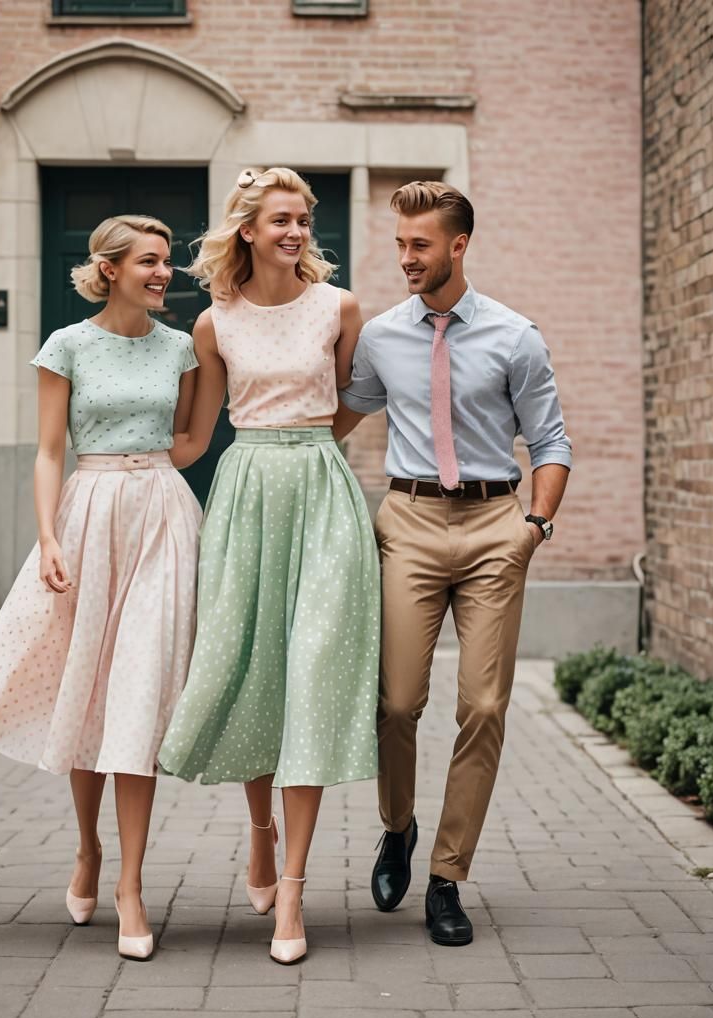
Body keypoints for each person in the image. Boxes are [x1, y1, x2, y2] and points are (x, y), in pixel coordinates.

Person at [0, 215, 202, 962]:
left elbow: (189, 440)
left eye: (166, 262)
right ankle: (88, 847)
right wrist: (49, 537)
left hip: (161, 516)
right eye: (149, 261)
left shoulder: (180, 348)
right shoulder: (66, 345)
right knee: (89, 690)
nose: (163, 273)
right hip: (87, 516)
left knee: (138, 695)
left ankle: (131, 885)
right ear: (110, 268)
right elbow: (48, 451)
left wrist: (154, 476)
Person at [335, 181, 572, 947]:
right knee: (397, 703)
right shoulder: (380, 338)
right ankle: (397, 826)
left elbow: (550, 441)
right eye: (400, 244)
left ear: (458, 246)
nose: (406, 258)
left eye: (420, 245)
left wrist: (534, 525)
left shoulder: (515, 337)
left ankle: (446, 874)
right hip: (407, 523)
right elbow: (337, 419)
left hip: (495, 525)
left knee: (485, 706)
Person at [158, 167, 380, 965]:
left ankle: (292, 888)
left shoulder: (339, 308)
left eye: (303, 219)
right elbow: (197, 435)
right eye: (282, 219)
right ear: (247, 229)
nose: (296, 232)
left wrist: (310, 444)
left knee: (312, 675)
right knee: (256, 670)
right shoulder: (213, 322)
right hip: (246, 492)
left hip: (321, 490)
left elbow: (356, 398)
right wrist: (117, 470)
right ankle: (260, 830)